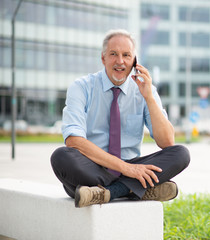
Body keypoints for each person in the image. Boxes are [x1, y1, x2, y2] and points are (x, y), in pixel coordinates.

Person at [50, 29, 190, 208]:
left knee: (181, 153)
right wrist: (127, 169)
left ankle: (105, 193)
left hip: (131, 167)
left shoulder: (146, 90)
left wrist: (149, 97)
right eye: (113, 54)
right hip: (95, 166)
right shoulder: (81, 87)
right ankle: (136, 190)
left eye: (126, 55)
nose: (120, 61)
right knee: (61, 157)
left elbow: (167, 141)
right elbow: (74, 141)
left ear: (135, 61)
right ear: (103, 58)